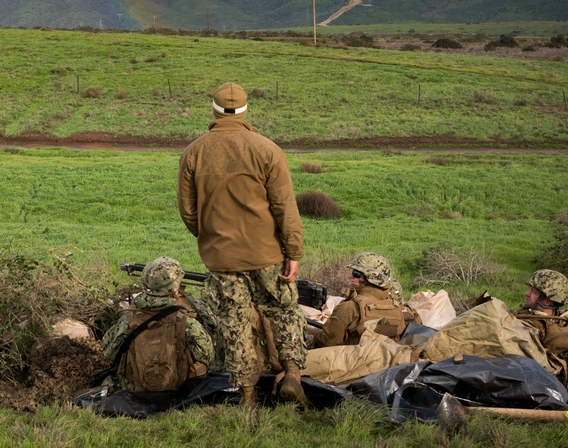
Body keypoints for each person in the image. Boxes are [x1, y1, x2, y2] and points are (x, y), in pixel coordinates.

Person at [177, 81, 308, 408]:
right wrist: (293, 252)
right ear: (246, 110)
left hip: (222, 258)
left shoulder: (193, 152)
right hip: (267, 254)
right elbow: (284, 208)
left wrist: (210, 238)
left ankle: (247, 397)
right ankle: (292, 375)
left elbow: (188, 211)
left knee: (235, 325)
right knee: (284, 312)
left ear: (215, 110)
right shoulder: (267, 150)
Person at [100, 256, 215, 392]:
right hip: (180, 385)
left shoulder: (129, 319)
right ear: (175, 287)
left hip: (135, 386)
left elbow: (108, 352)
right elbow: (208, 356)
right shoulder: (186, 320)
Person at [312, 252, 406, 348]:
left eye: (356, 274)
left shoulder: (349, 308)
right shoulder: (396, 308)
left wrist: (312, 337)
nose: (351, 276)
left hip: (354, 361)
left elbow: (326, 343)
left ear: (370, 278)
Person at [512, 269, 568, 356]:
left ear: (547, 300)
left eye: (533, 292)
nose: (527, 294)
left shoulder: (531, 325)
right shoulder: (561, 321)